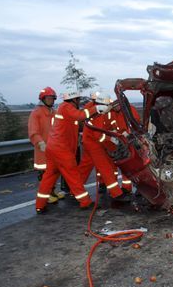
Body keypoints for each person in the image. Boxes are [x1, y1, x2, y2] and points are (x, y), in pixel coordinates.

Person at [35, 85, 109, 214]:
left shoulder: (64, 109)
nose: (79, 101)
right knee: (73, 175)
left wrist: (96, 111)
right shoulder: (67, 107)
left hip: (54, 148)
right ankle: (85, 201)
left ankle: (40, 205)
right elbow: (80, 116)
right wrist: (96, 108)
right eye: (78, 99)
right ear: (74, 99)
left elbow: (78, 122)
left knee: (49, 177)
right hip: (61, 150)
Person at [78, 91, 130, 202]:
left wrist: (116, 133)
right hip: (93, 143)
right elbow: (99, 136)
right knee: (105, 168)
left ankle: (76, 189)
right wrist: (111, 139)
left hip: (89, 141)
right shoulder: (98, 114)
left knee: (84, 168)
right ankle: (116, 194)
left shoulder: (100, 111)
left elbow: (109, 125)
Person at [28, 87, 64, 204]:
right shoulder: (36, 113)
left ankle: (52, 192)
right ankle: (46, 196)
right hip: (42, 150)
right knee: (44, 174)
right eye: (48, 98)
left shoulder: (54, 113)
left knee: (54, 172)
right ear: (43, 99)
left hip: (54, 148)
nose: (50, 100)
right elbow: (33, 132)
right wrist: (40, 143)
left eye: (52, 98)